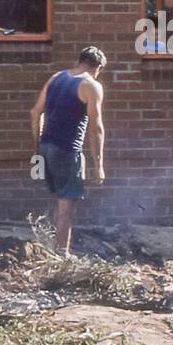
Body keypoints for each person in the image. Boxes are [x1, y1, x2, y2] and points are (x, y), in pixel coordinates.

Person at [29, 47, 106, 255]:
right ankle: (61, 257)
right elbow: (96, 128)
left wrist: (38, 149)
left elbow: (36, 112)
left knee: (60, 199)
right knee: (66, 206)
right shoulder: (91, 85)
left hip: (46, 147)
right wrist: (98, 165)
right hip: (67, 150)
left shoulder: (56, 77)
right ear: (97, 67)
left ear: (79, 61)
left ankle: (54, 249)